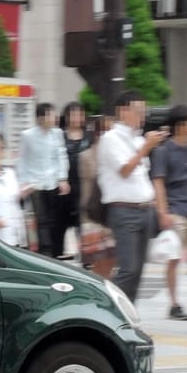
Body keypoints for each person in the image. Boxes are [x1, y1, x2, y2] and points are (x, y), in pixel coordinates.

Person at [97, 90, 167, 302]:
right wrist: (147, 147)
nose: (142, 115)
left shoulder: (137, 140)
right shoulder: (110, 139)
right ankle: (104, 308)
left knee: (137, 272)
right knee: (127, 270)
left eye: (144, 111)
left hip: (144, 210)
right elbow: (125, 170)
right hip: (124, 211)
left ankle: (130, 317)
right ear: (122, 111)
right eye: (137, 111)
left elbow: (142, 175)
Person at [150, 104, 187, 320]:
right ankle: (174, 304)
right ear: (181, 124)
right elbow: (159, 182)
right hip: (175, 210)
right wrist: (163, 212)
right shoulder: (164, 150)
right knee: (174, 260)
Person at [17, 103, 70, 258]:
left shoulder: (58, 133)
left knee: (54, 219)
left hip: (53, 181)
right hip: (35, 183)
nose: (54, 118)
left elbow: (61, 155)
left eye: (54, 115)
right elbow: (22, 160)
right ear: (40, 118)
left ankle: (54, 250)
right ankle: (44, 252)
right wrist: (24, 182)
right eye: (50, 115)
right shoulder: (28, 135)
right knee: (41, 220)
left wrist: (63, 178)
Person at [78, 115, 117, 279]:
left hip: (112, 213)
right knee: (98, 261)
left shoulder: (116, 153)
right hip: (93, 215)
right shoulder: (86, 156)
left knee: (112, 260)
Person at [59, 101, 91, 257]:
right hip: (64, 187)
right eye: (73, 114)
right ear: (66, 117)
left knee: (83, 224)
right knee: (61, 223)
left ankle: (86, 257)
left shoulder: (90, 137)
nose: (77, 117)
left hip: (84, 187)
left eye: (80, 114)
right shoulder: (59, 136)